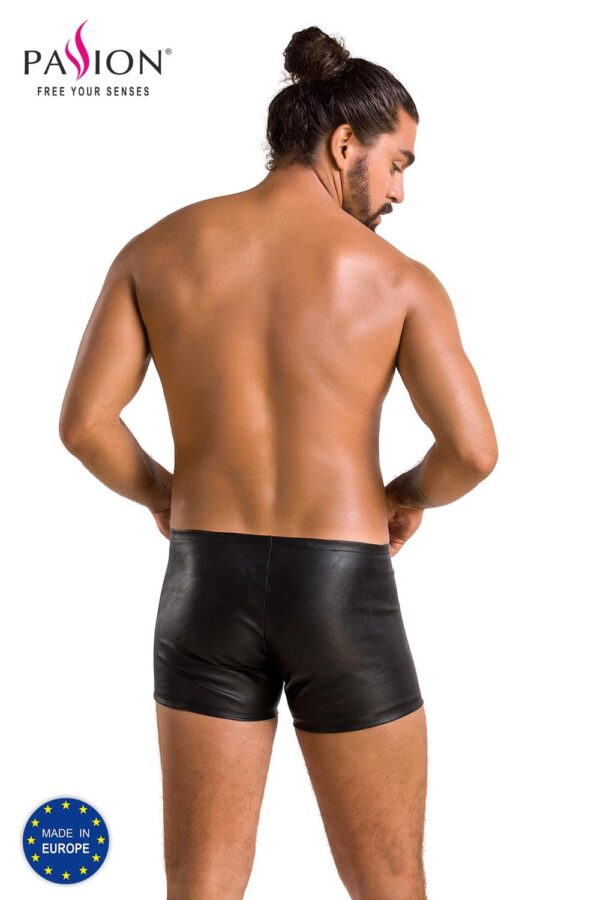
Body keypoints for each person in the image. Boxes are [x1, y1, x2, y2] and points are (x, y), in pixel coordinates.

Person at [58, 24, 498, 900]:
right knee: (389, 882)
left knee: (202, 885)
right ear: (345, 145)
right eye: (398, 163)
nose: (400, 191)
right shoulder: (397, 279)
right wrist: (403, 496)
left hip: (203, 585)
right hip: (341, 590)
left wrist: (165, 494)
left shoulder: (155, 250)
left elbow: (85, 425)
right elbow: (473, 451)